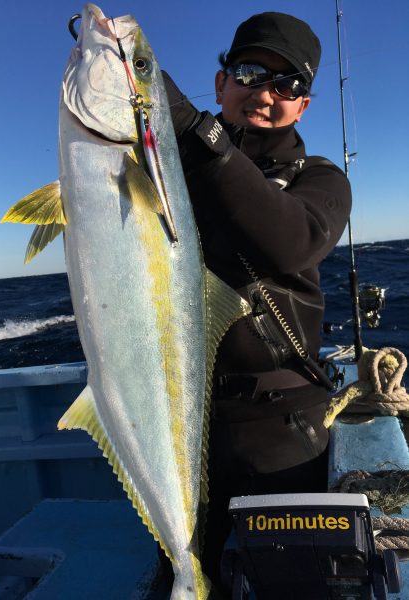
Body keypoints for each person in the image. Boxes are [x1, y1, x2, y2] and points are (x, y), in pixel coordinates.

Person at [163, 11, 352, 594]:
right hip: (178, 421)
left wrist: (200, 136)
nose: (265, 93)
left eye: (287, 84)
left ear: (303, 105)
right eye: (249, 71)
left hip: (280, 427)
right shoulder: (167, 173)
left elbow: (288, 241)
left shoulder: (320, 180)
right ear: (221, 83)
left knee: (290, 581)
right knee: (182, 573)